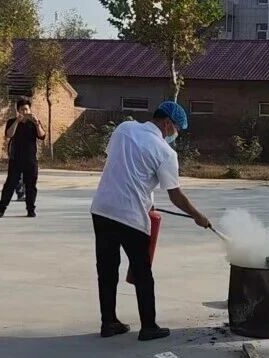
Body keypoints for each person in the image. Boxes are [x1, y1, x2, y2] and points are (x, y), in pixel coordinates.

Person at [90, 101, 212, 341]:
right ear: (167, 123)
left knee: (107, 269)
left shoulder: (124, 128)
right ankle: (149, 327)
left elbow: (125, 166)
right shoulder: (166, 152)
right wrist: (198, 216)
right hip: (131, 217)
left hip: (103, 208)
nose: (176, 134)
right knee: (142, 272)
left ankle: (108, 322)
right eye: (177, 129)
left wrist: (149, 201)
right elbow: (175, 195)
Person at [0, 99, 46, 218]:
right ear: (18, 110)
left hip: (31, 159)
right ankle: (2, 208)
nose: (25, 112)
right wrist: (17, 121)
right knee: (10, 184)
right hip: (16, 159)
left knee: (31, 185)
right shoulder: (12, 121)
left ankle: (30, 209)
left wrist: (37, 124)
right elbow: (9, 134)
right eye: (22, 110)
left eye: (27, 109)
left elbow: (42, 136)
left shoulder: (34, 122)